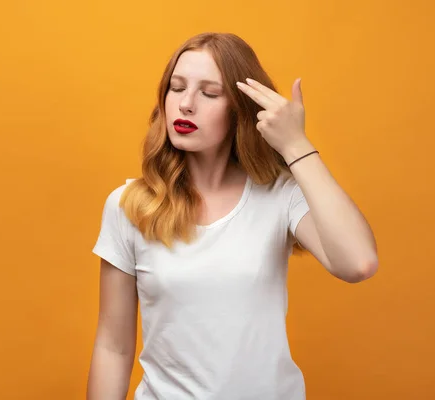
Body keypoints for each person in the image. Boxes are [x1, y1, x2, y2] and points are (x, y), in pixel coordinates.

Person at [86, 32, 378, 400]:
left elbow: (359, 263)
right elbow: (113, 347)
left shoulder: (280, 196)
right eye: (176, 88)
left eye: (209, 93)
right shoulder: (129, 206)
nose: (186, 104)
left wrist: (296, 146)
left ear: (240, 109)